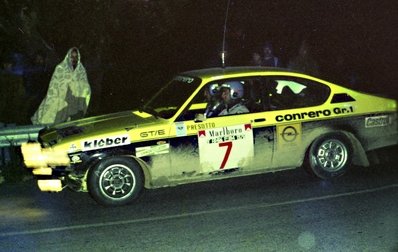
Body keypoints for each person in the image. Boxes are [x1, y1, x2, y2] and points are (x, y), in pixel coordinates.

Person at [31, 47, 91, 125]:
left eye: (76, 57)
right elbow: (54, 85)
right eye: (72, 57)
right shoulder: (60, 68)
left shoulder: (81, 70)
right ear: (68, 57)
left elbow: (85, 86)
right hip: (61, 100)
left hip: (75, 103)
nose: (74, 59)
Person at [0, 53, 27, 124]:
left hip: (12, 109)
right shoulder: (2, 77)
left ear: (12, 65)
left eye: (9, 64)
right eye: (5, 64)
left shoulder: (17, 78)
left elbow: (20, 93)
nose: (7, 65)